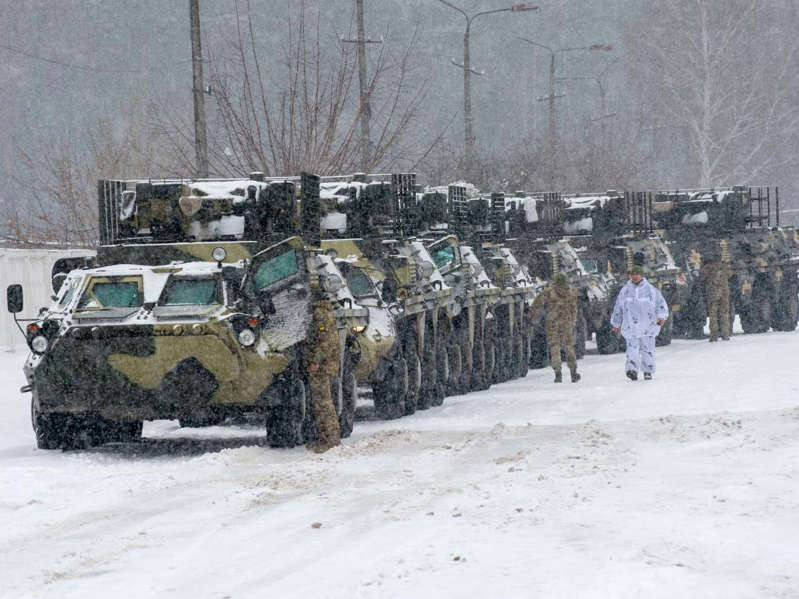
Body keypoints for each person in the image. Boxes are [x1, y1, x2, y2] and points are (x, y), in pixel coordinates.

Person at [610, 265, 669, 381]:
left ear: (641, 275)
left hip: (648, 325)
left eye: (637, 274)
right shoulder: (625, 291)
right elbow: (618, 308)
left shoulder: (651, 290)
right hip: (631, 326)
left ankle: (647, 371)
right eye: (633, 274)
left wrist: (661, 316)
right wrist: (615, 324)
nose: (635, 276)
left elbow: (660, 304)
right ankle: (631, 370)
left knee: (648, 349)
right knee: (632, 350)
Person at [303, 299, 341, 452]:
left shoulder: (320, 314)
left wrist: (315, 360)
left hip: (322, 366)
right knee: (320, 402)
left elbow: (325, 341)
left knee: (323, 403)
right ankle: (324, 438)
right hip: (324, 364)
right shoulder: (324, 312)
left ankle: (331, 439)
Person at [530, 273, 581, 383]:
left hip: (552, 324)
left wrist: (533, 316)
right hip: (567, 324)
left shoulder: (548, 293)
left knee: (554, 348)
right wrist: (572, 321)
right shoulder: (570, 293)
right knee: (569, 348)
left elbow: (536, 304)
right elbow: (574, 310)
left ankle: (558, 373)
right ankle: (573, 372)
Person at [701, 258, 732, 342]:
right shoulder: (724, 266)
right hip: (724, 293)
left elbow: (702, 276)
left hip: (713, 293)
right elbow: (730, 275)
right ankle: (725, 334)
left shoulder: (707, 267)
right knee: (724, 314)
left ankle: (714, 335)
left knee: (713, 315)